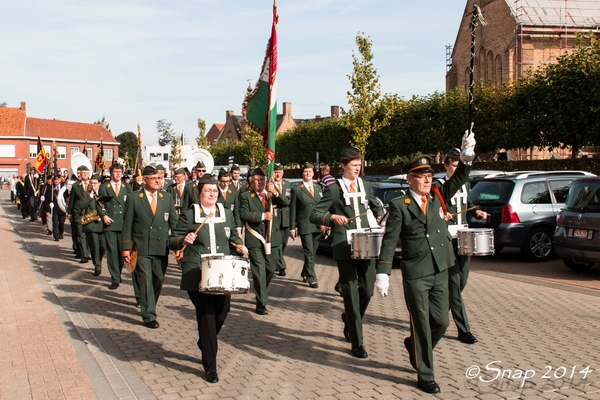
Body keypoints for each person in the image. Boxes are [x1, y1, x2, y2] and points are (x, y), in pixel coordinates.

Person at [376, 131, 476, 394]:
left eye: (429, 175)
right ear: (410, 179)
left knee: (441, 323)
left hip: (442, 268)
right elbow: (390, 239)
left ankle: (415, 347)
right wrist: (383, 271)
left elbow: (461, 176)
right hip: (416, 273)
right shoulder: (400, 205)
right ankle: (426, 374)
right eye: (421, 176)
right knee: (421, 323)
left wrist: (467, 155)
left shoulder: (438, 194)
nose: (427, 180)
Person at [168, 174, 248, 384]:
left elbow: (233, 238)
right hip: (197, 272)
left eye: (215, 191)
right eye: (208, 191)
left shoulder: (226, 214)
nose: (212, 194)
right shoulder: (188, 215)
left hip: (222, 272)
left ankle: (205, 342)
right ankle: (210, 367)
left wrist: (240, 246)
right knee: (207, 316)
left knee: (223, 311)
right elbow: (171, 240)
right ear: (199, 192)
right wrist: (182, 239)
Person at [309, 146, 384, 358]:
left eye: (360, 165)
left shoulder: (366, 186)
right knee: (351, 293)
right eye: (354, 166)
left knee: (367, 290)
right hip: (344, 244)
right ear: (343, 166)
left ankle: (349, 318)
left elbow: (376, 206)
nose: (358, 169)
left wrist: (379, 215)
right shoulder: (334, 189)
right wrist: (332, 218)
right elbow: (315, 214)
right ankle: (357, 342)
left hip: (367, 241)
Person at [439, 148, 487, 345]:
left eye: (460, 166)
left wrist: (476, 211)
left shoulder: (465, 183)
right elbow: (432, 207)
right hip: (446, 238)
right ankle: (463, 330)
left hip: (464, 235)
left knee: (462, 281)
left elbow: (466, 202)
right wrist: (442, 213)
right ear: (445, 165)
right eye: (454, 165)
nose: (457, 169)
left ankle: (438, 313)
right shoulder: (439, 185)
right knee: (454, 284)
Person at [122, 165, 178, 328]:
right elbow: (127, 224)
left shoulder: (166, 197)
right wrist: (125, 248)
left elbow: (174, 222)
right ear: (145, 180)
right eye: (154, 179)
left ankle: (150, 303)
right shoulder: (134, 198)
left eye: (160, 178)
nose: (158, 181)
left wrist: (178, 244)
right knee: (145, 280)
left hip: (161, 247)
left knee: (158, 279)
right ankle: (148, 314)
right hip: (141, 247)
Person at [239, 167, 289, 315]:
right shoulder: (246, 196)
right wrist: (262, 216)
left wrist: (274, 192)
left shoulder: (270, 196)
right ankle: (261, 302)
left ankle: (260, 289)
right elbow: (243, 213)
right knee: (259, 270)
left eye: (262, 180)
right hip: (255, 238)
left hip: (272, 238)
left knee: (270, 268)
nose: (260, 182)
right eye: (256, 180)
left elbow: (285, 203)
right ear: (251, 182)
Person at [290, 163, 325, 288]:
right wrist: (292, 227)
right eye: (305, 172)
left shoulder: (318, 188)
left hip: (317, 224)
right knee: (309, 252)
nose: (307, 174)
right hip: (305, 224)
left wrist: (324, 221)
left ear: (313, 173)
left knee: (313, 252)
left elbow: (322, 206)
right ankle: (312, 277)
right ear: (302, 173)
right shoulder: (297, 189)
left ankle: (305, 272)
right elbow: (292, 209)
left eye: (309, 172)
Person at [99, 161, 131, 288]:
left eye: (120, 172)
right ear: (111, 173)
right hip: (110, 224)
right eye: (115, 172)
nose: (118, 174)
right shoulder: (104, 187)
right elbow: (99, 203)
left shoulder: (127, 187)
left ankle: (118, 272)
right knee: (112, 251)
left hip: (124, 224)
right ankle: (115, 277)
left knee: (121, 251)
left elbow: (131, 205)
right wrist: (104, 215)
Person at [75, 174, 106, 276]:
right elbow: (80, 206)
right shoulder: (86, 194)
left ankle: (99, 260)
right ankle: (97, 266)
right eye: (91, 183)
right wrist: (90, 197)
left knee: (103, 246)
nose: (93, 185)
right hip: (91, 224)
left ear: (99, 184)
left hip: (102, 224)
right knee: (94, 246)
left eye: (95, 183)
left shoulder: (103, 193)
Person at [68, 166, 91, 263]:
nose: (85, 174)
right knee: (81, 234)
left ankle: (87, 252)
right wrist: (69, 213)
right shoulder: (75, 186)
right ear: (80, 175)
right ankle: (84, 255)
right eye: (83, 173)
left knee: (89, 234)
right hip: (78, 213)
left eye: (87, 173)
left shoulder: (93, 184)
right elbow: (72, 201)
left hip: (90, 213)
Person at [272, 163, 291, 276]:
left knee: (283, 243)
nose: (277, 174)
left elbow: (288, 201)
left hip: (285, 218)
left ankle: (276, 262)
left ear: (283, 173)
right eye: (275, 172)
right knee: (277, 243)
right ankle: (282, 266)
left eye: (279, 172)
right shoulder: (269, 185)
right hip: (275, 217)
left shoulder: (287, 184)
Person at [216, 168, 241, 235]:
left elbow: (236, 211)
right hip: (218, 224)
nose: (225, 184)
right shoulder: (215, 191)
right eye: (223, 181)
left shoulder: (233, 192)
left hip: (230, 224)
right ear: (219, 180)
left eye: (227, 181)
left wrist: (238, 227)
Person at [47, 175, 66, 241]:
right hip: (54, 207)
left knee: (61, 222)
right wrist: (50, 202)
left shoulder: (64, 187)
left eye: (57, 180)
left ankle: (61, 232)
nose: (56, 181)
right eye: (55, 180)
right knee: (55, 222)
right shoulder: (51, 187)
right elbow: (48, 196)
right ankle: (56, 236)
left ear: (60, 180)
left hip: (62, 207)